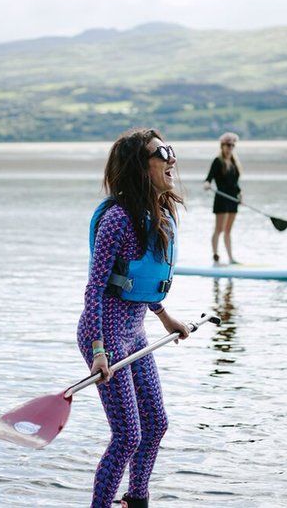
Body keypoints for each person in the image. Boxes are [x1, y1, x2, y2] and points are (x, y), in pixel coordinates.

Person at [78, 127, 192, 508]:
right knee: (127, 435)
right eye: (162, 153)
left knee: (156, 424)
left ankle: (137, 500)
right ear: (140, 167)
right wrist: (98, 351)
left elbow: (140, 281)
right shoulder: (117, 220)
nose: (171, 158)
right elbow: (95, 289)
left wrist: (164, 317)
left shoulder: (154, 214)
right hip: (105, 336)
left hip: (135, 331)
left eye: (170, 150)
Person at [203, 132, 243, 264]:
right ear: (222, 145)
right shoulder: (217, 161)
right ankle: (216, 257)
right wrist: (207, 184)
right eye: (228, 145)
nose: (230, 147)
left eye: (232, 145)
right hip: (221, 198)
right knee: (219, 229)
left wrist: (240, 195)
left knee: (228, 231)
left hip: (233, 200)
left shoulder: (234, 162)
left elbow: (235, 183)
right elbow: (209, 178)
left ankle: (231, 258)